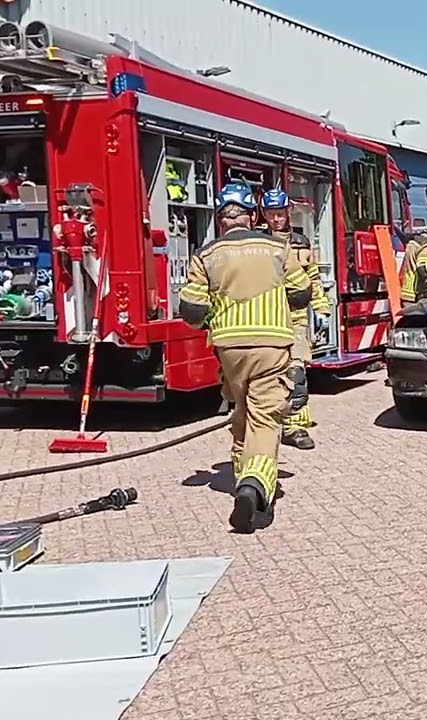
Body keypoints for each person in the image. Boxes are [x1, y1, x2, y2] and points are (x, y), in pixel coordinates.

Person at [178, 183, 313, 532]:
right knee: (266, 418)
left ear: (221, 219)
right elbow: (301, 293)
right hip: (271, 346)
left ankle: (242, 475)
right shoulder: (276, 248)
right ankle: (255, 484)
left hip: (229, 350)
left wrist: (216, 314)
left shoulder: (206, 255)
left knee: (242, 413)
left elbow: (191, 310)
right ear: (252, 215)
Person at [260, 189, 328, 451]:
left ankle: (294, 428)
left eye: (281, 213)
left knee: (296, 370)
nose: (277, 219)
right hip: (267, 316)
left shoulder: (301, 242)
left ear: (288, 212)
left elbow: (312, 278)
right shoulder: (258, 242)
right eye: (272, 214)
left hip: (296, 317)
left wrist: (321, 309)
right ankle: (270, 423)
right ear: (264, 215)